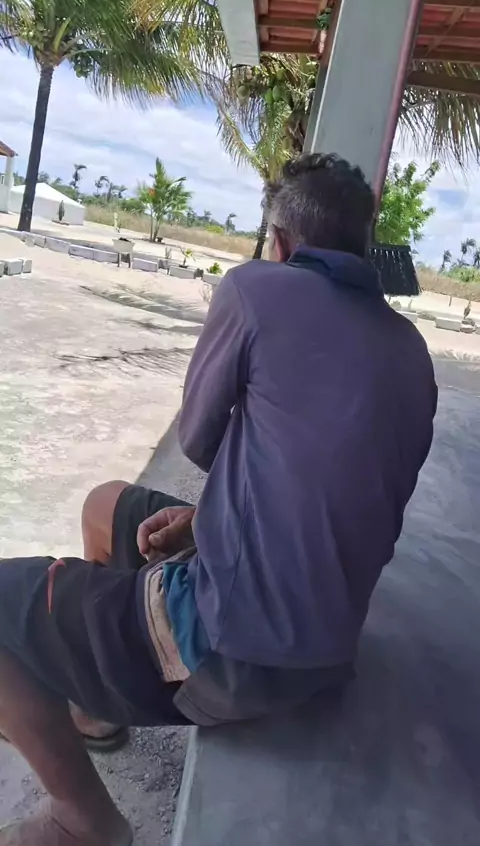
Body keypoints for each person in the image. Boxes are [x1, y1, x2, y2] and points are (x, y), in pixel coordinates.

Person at [0, 153, 437, 845]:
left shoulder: (255, 289)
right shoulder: (412, 349)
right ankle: (96, 705)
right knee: (106, 504)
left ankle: (83, 821)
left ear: (281, 243)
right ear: (362, 242)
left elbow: (199, 440)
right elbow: (330, 488)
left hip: (230, 649)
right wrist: (205, 520)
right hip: (327, 649)